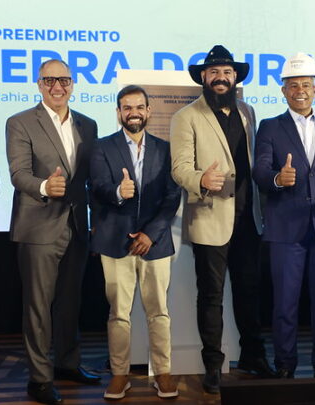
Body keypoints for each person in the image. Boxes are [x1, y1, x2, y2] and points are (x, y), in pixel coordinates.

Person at [170, 45, 274, 394]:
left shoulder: (248, 111)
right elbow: (179, 168)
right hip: (210, 218)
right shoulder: (186, 117)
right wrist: (201, 178)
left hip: (248, 220)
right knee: (211, 296)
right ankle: (213, 366)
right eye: (214, 72)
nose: (221, 77)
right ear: (203, 77)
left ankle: (253, 357)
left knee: (249, 292)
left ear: (235, 78)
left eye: (227, 72)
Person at [6, 59, 100, 404]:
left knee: (70, 303)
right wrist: (45, 186)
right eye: (49, 80)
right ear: (38, 83)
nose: (57, 87)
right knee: (38, 307)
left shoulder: (88, 124)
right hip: (38, 226)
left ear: (72, 83)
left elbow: (91, 177)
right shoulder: (19, 122)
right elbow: (18, 173)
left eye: (63, 80)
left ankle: (67, 363)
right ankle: (39, 379)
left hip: (77, 226)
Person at [252, 53, 315, 379]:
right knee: (285, 304)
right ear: (283, 90)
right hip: (285, 229)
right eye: (293, 85)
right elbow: (259, 171)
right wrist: (278, 179)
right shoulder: (270, 126)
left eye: (306, 85)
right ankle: (285, 365)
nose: (300, 91)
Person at [89, 85, 181, 399]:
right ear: (118, 113)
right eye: (127, 108)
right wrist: (118, 192)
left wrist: (150, 234)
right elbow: (97, 187)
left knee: (159, 312)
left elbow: (172, 197)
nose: (134, 113)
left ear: (148, 111)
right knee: (118, 313)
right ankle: (119, 375)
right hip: (114, 242)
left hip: (155, 243)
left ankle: (163, 373)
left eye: (139, 107)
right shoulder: (101, 147)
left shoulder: (165, 149)